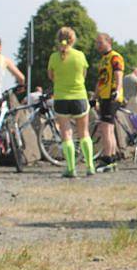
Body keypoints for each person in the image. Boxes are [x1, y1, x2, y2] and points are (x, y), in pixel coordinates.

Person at [48, 27, 94, 177]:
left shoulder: (54, 57)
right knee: (84, 132)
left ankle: (71, 168)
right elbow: (84, 75)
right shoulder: (80, 56)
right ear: (73, 40)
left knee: (66, 134)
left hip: (61, 98)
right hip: (79, 97)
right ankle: (90, 166)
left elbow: (51, 76)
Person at [93, 33, 124, 172]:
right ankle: (111, 158)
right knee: (108, 128)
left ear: (108, 42)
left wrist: (117, 90)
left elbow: (119, 75)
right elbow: (100, 80)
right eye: (96, 43)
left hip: (112, 96)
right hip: (104, 96)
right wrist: (94, 96)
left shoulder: (115, 56)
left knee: (106, 128)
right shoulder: (102, 60)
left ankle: (107, 159)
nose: (97, 45)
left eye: (100, 42)